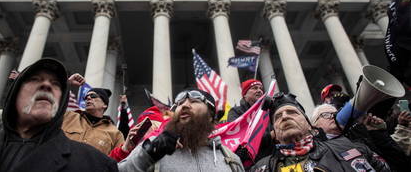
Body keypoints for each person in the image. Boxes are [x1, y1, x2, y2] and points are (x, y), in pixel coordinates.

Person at [0, 58, 117, 172]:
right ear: (14, 93)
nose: (46, 85)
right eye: (35, 80)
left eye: (56, 84)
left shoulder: (97, 165)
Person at [250, 92, 390, 172]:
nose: (285, 116)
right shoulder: (261, 169)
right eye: (278, 117)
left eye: (292, 112)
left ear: (310, 125)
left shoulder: (351, 147)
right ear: (274, 134)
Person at [119, 89, 244, 172]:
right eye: (179, 104)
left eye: (194, 101)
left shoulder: (229, 157)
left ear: (210, 116)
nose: (184, 105)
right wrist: (148, 156)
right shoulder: (153, 146)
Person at [312, 104, 410, 171]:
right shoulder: (316, 151)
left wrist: (378, 133)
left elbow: (400, 163)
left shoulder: (359, 135)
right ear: (314, 124)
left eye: (335, 114)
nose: (333, 117)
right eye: (325, 115)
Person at [62, 73, 124, 155]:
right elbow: (54, 105)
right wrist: (68, 83)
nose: (88, 98)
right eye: (86, 97)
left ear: (104, 104)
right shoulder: (69, 117)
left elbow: (119, 161)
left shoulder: (115, 134)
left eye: (93, 96)